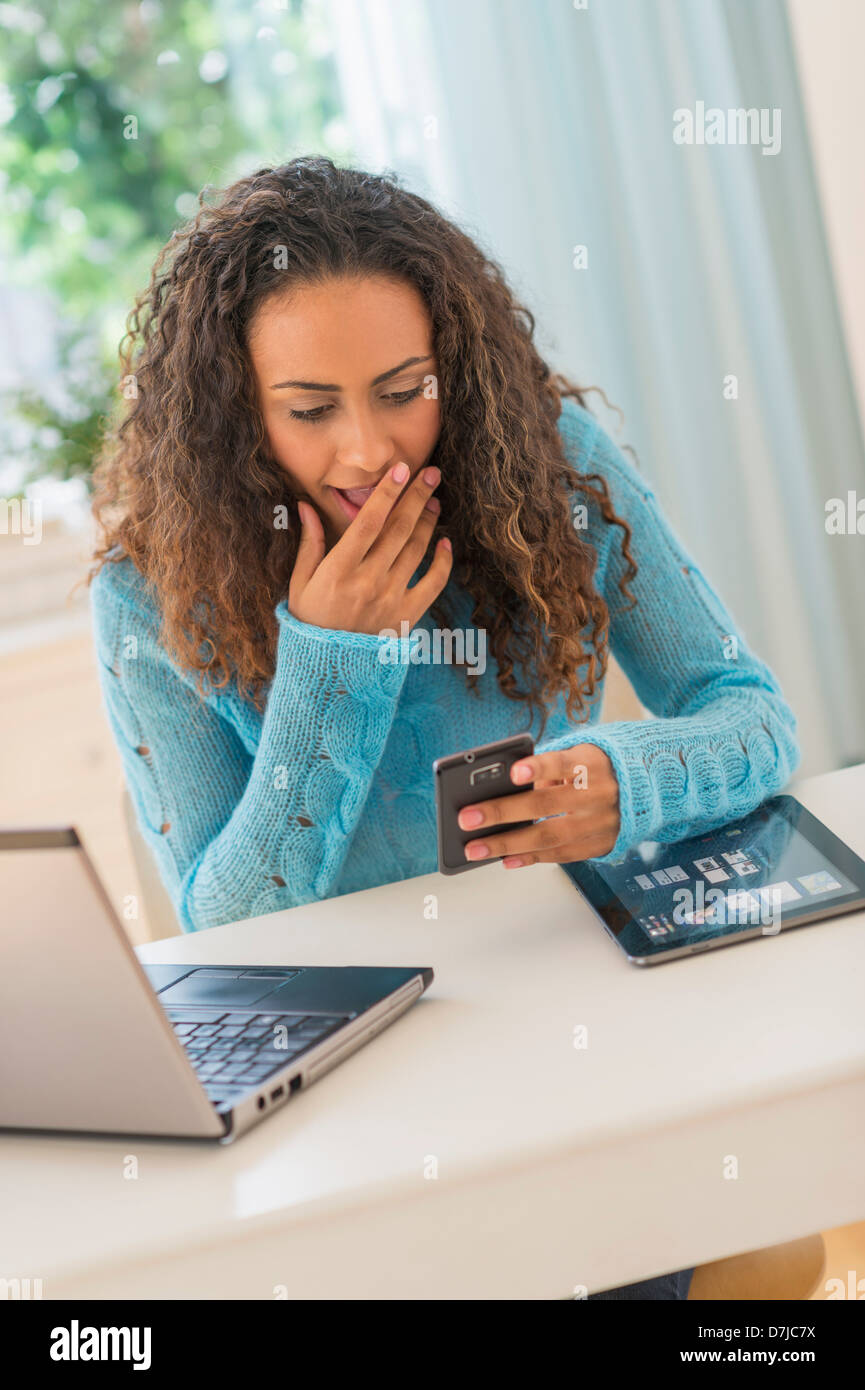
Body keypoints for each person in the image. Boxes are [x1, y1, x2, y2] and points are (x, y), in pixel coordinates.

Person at [89, 157, 799, 1299]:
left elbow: (752, 714)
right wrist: (332, 656)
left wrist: (627, 777)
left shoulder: (551, 465)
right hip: (346, 1106)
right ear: (237, 414)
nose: (367, 450)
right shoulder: (147, 593)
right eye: (309, 410)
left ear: (454, 371)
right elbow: (226, 936)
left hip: (573, 1039)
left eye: (403, 388)